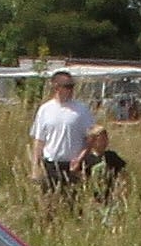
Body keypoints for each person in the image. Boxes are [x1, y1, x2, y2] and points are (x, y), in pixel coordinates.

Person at [29, 69, 123, 199]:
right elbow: (39, 140)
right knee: (50, 203)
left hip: (74, 166)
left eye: (73, 86)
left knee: (73, 202)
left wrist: (80, 158)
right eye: (68, 86)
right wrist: (35, 167)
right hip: (51, 165)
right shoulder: (45, 110)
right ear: (56, 87)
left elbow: (93, 136)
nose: (71, 90)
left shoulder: (81, 110)